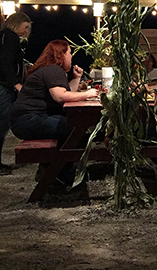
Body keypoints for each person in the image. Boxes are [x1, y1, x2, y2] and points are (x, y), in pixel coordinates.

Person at [11, 40, 98, 185]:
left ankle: (55, 169)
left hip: (25, 121)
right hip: (28, 120)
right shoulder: (53, 69)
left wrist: (76, 78)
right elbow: (60, 96)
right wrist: (88, 94)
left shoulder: (51, 70)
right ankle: (60, 173)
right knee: (74, 128)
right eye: (69, 53)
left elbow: (67, 92)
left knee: (74, 128)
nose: (71, 57)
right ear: (61, 55)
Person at [0, 11, 32, 176]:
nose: (26, 31)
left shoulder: (0, 37)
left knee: (0, 125)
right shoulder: (11, 38)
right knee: (2, 125)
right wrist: (16, 84)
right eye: (25, 27)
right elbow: (5, 63)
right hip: (0, 85)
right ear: (17, 24)